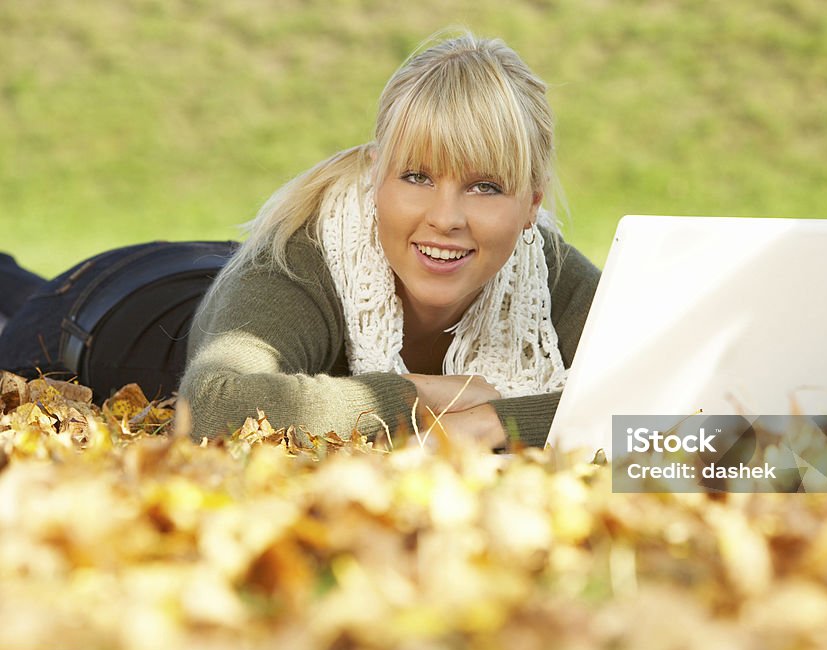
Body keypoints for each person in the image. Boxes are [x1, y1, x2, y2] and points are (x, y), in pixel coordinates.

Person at [1, 33, 601, 450]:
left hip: (216, 277)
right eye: (417, 176)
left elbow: (682, 415)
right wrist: (419, 396)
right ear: (376, 179)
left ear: (532, 205)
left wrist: (498, 420)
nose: (446, 217)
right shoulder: (298, 260)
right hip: (100, 308)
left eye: (485, 187)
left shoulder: (548, 274)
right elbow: (212, 409)